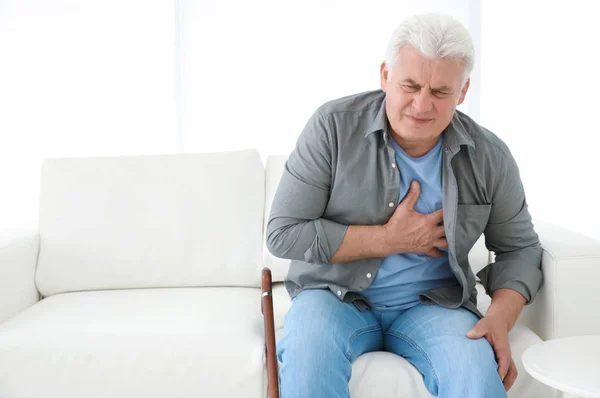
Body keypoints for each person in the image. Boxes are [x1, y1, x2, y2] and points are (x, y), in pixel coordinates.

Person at [266, 12, 542, 398]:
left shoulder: (489, 156)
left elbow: (520, 248)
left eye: (440, 92)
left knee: (476, 375)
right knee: (308, 357)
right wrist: (388, 239)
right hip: (333, 296)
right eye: (410, 85)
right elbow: (283, 234)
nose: (421, 105)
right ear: (385, 76)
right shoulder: (332, 126)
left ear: (462, 93)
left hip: (434, 305)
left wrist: (500, 316)